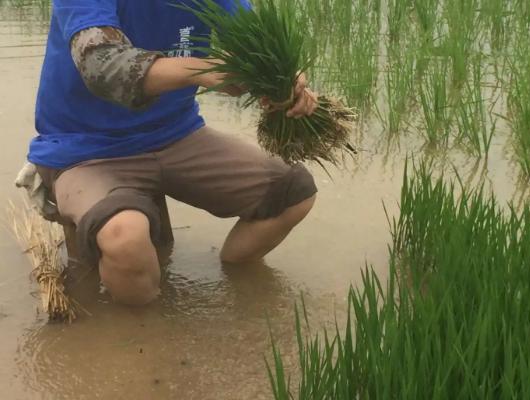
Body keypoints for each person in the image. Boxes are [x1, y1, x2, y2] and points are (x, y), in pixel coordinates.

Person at [17, 0, 318, 306]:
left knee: (292, 192)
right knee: (125, 237)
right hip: (86, 147)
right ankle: (142, 338)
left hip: (176, 133)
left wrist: (285, 82)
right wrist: (204, 69)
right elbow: (103, 66)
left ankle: (235, 287)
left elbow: (258, 49)